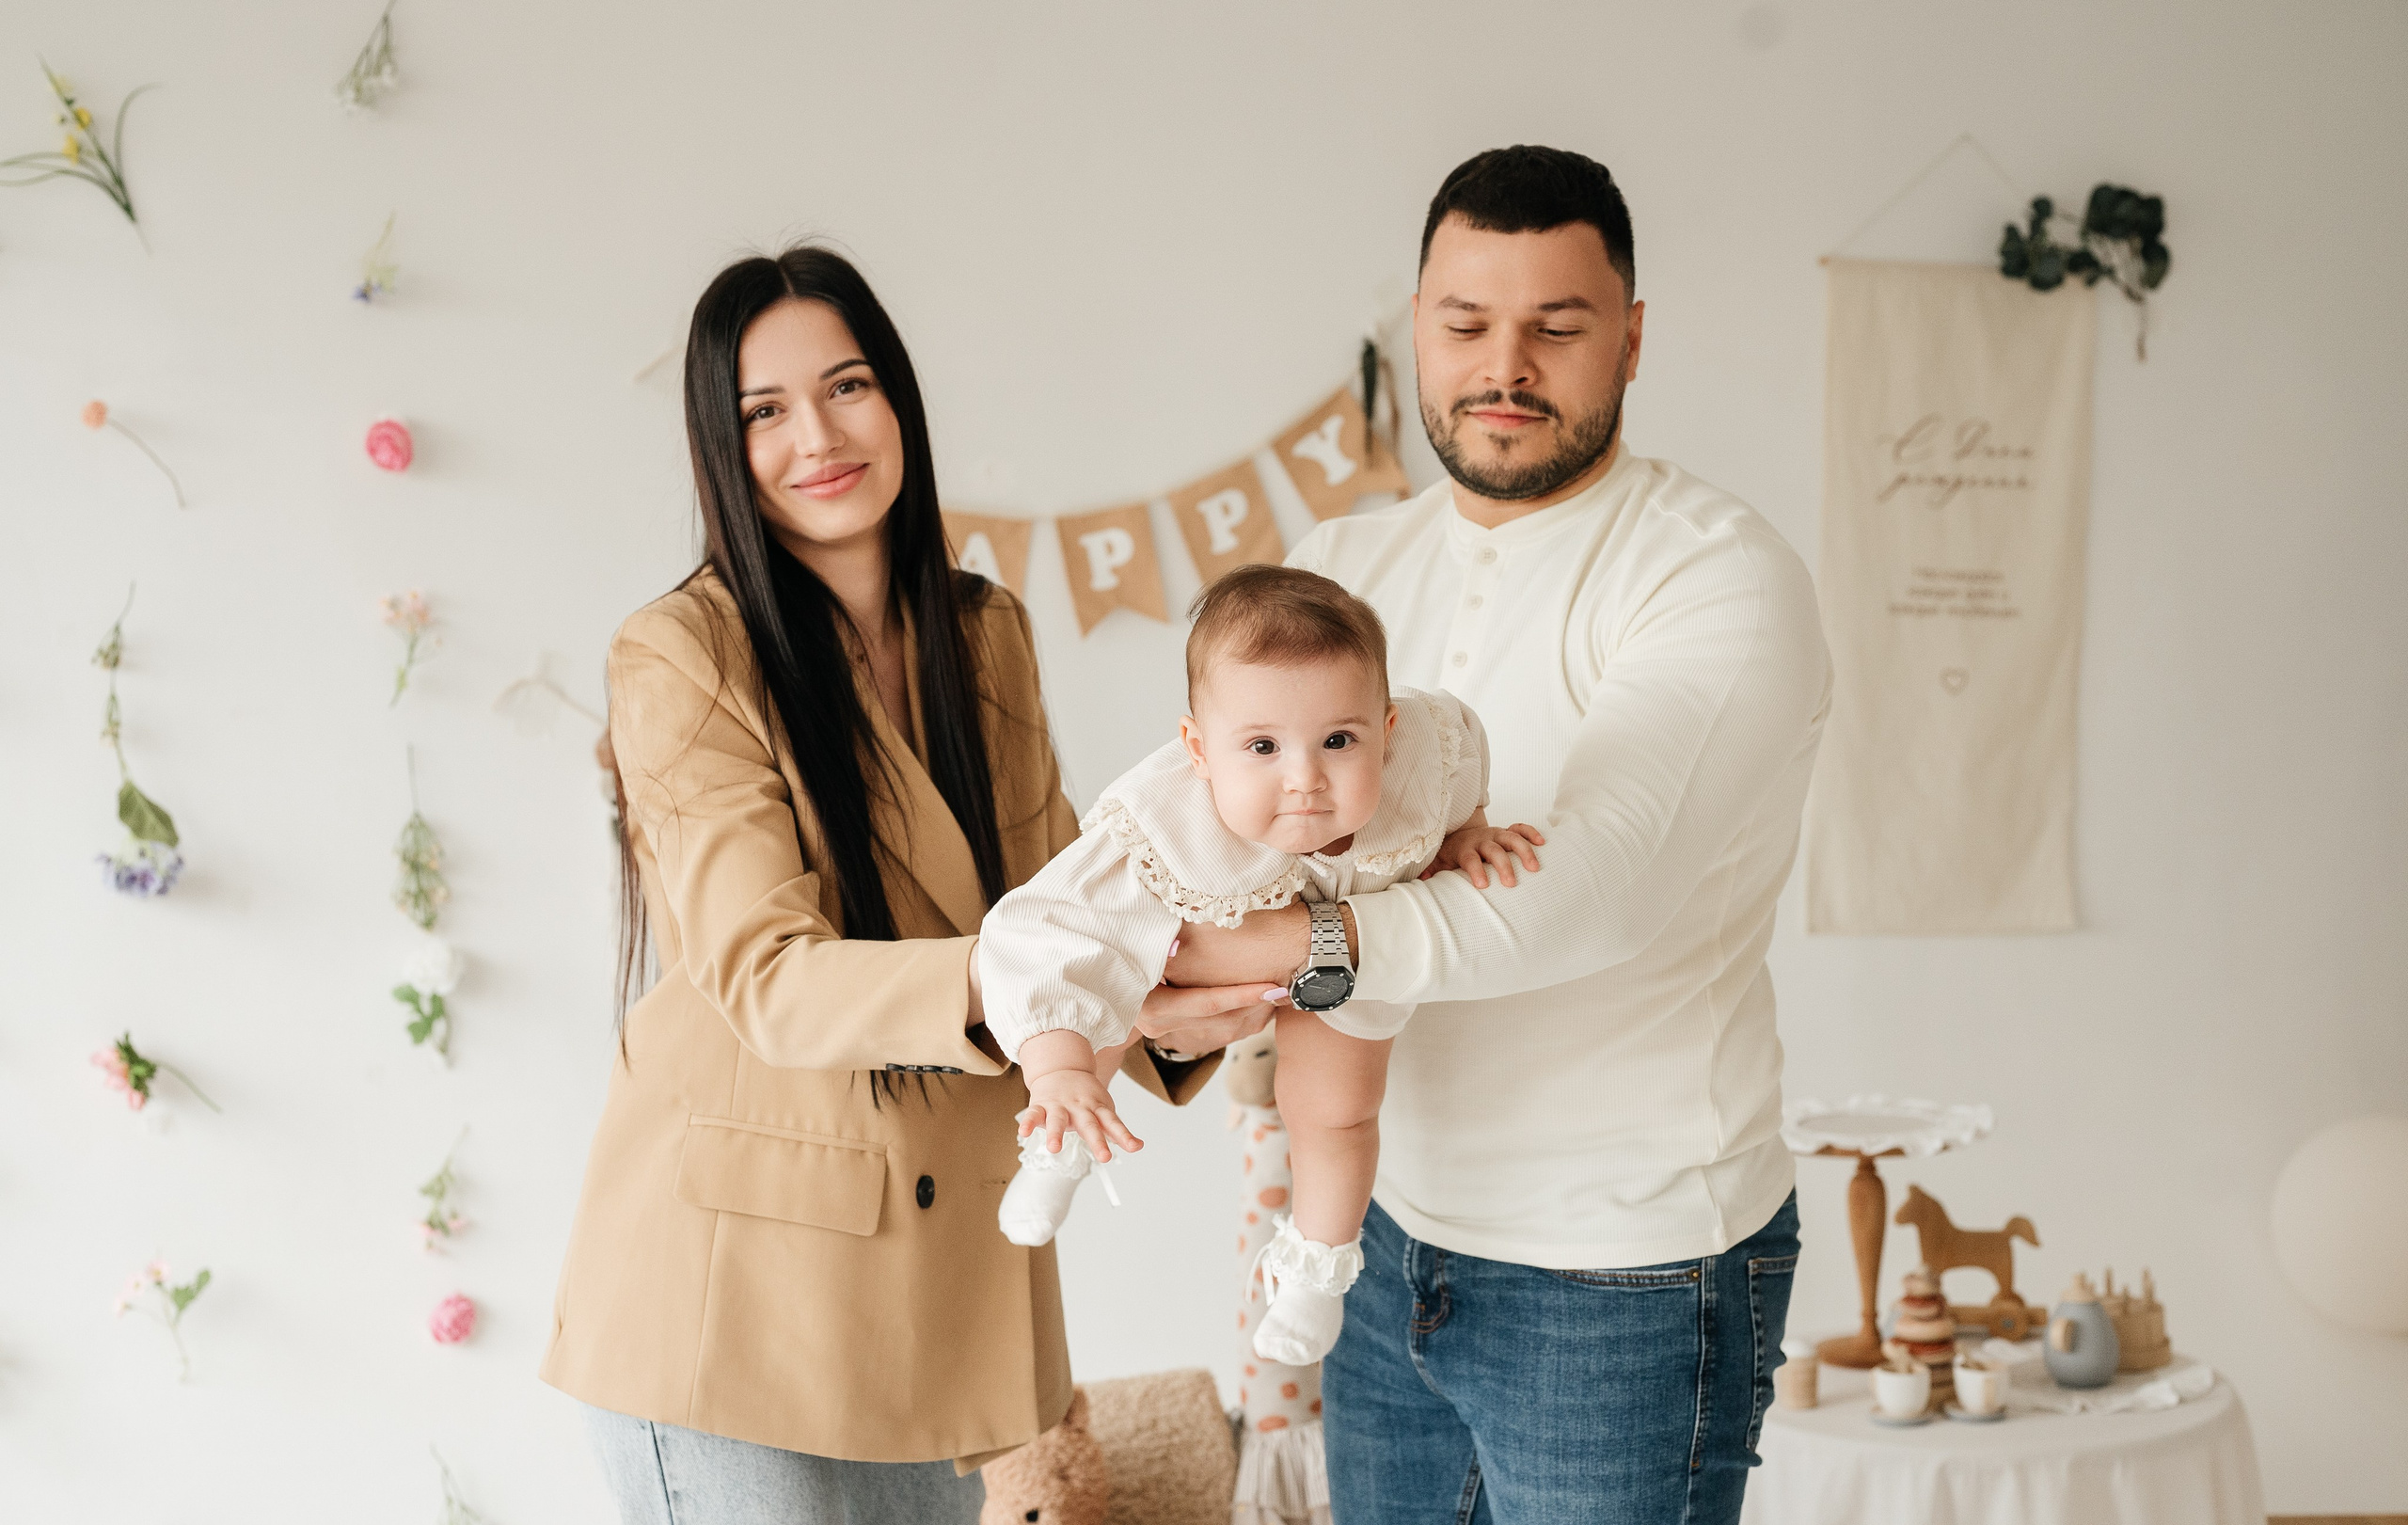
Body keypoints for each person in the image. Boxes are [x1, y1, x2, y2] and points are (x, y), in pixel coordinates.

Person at [540, 246, 1276, 1525]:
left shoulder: (983, 632)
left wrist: (1212, 979)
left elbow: (1070, 904)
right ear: (721, 446)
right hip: (732, 1300)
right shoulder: (682, 650)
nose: (817, 437)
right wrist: (1051, 975)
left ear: (898, 400)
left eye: (847, 386)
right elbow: (768, 975)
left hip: (935, 1290)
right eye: (764, 411)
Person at [1167, 147, 1832, 1521]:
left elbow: (1584, 894)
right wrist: (1140, 971)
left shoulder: (1718, 573)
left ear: (1631, 339)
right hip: (1380, 1232)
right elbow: (1215, 826)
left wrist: (1248, 945)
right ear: (1416, 325)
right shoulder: (1340, 570)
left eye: (1556, 327)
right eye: (1466, 323)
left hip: (1625, 1267)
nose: (1504, 366)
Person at [974, 564, 1543, 1366]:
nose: (1304, 778)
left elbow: (1461, 758)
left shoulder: (1425, 751)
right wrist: (1057, 1067)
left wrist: (1469, 830)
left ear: (1385, 729)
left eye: (1339, 740)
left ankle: (1316, 1267)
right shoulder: (1163, 824)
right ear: (1199, 750)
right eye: (1263, 747)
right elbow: (1045, 935)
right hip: (1203, 934)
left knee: (1339, 1109)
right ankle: (1060, 1134)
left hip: (1347, 951)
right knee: (1111, 976)